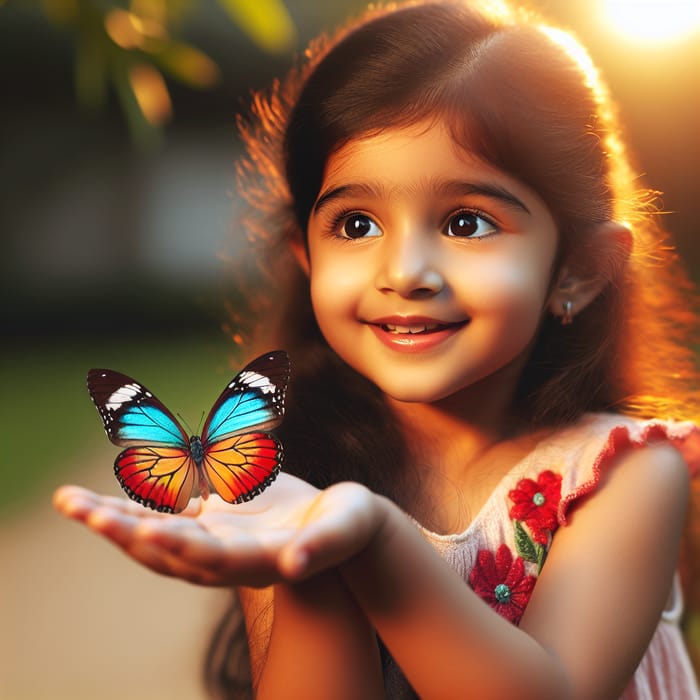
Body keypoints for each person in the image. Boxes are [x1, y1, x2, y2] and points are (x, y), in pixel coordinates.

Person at [54, 1, 700, 698]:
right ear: (307, 256)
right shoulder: (293, 474)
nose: (403, 272)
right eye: (356, 223)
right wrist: (313, 557)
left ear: (578, 268)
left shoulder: (626, 475)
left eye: (465, 222)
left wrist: (374, 541)